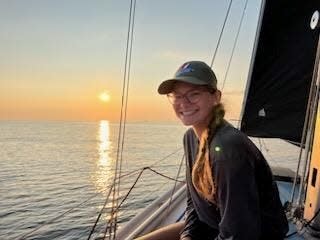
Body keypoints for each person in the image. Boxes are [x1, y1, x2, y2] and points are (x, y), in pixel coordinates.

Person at [136, 61, 288, 240]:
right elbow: (195, 202)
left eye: (194, 94)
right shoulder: (190, 138)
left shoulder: (228, 149)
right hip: (213, 226)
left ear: (215, 96)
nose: (183, 103)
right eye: (177, 96)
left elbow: (240, 233)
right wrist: (188, 236)